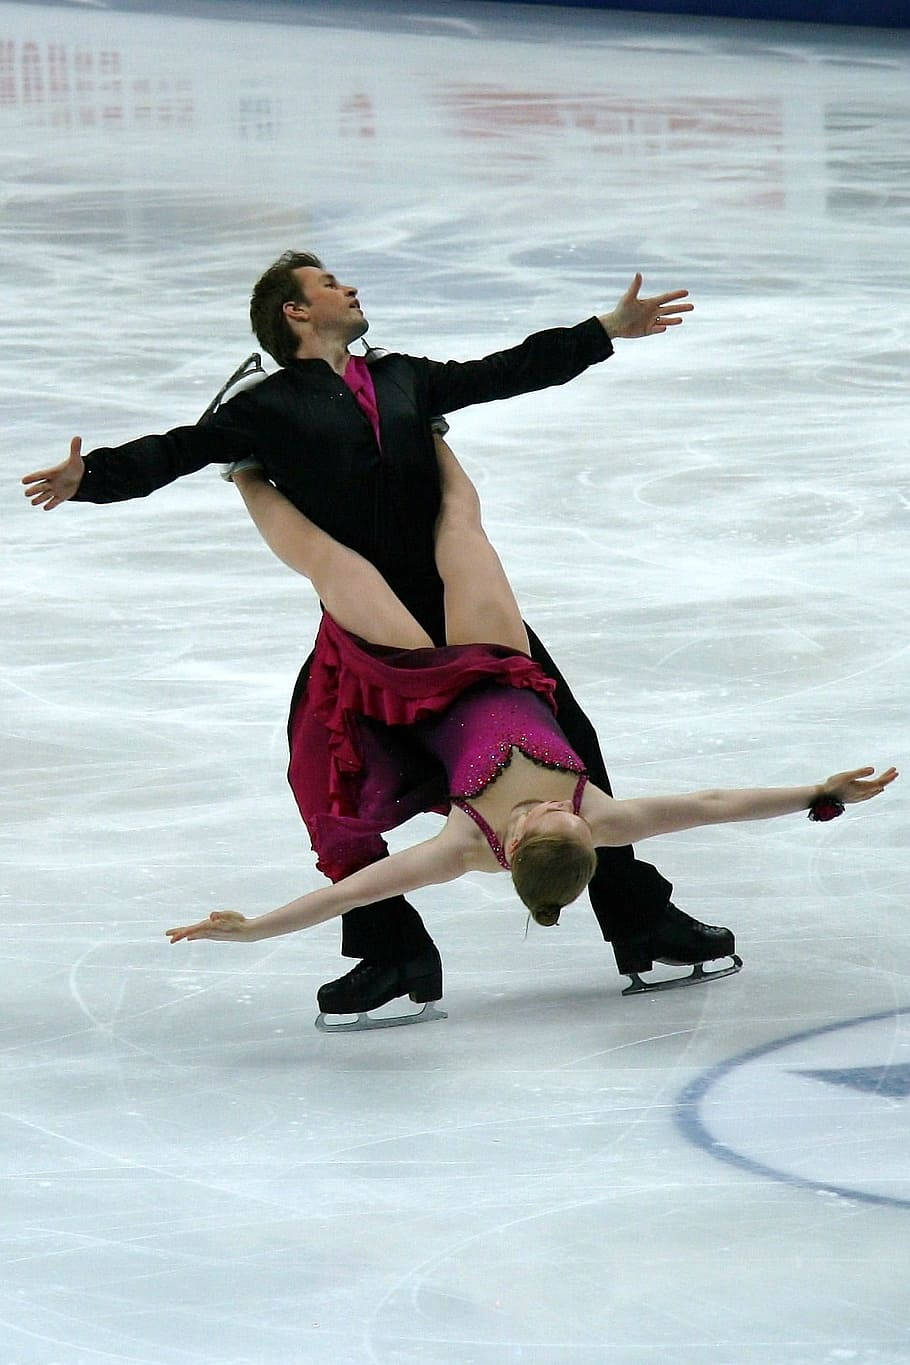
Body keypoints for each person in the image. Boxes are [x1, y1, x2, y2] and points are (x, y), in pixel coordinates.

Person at [22, 249, 737, 1019]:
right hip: (370, 625)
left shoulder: (402, 376)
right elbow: (174, 451)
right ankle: (391, 951)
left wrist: (603, 331)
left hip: (462, 605)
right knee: (325, 780)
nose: (350, 286)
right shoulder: (265, 408)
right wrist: (88, 477)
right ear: (295, 313)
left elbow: (502, 371)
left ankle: (639, 919)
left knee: (574, 751)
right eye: (328, 283)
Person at [165, 439, 897, 999]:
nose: (551, 804)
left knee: (333, 566)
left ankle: (243, 471)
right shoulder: (600, 818)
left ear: (509, 845)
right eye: (565, 814)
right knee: (463, 527)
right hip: (501, 658)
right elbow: (711, 806)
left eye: (539, 816)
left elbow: (353, 891)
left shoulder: (461, 847)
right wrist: (816, 791)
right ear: (588, 831)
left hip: (419, 680)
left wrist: (254, 927)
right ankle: (428, 426)